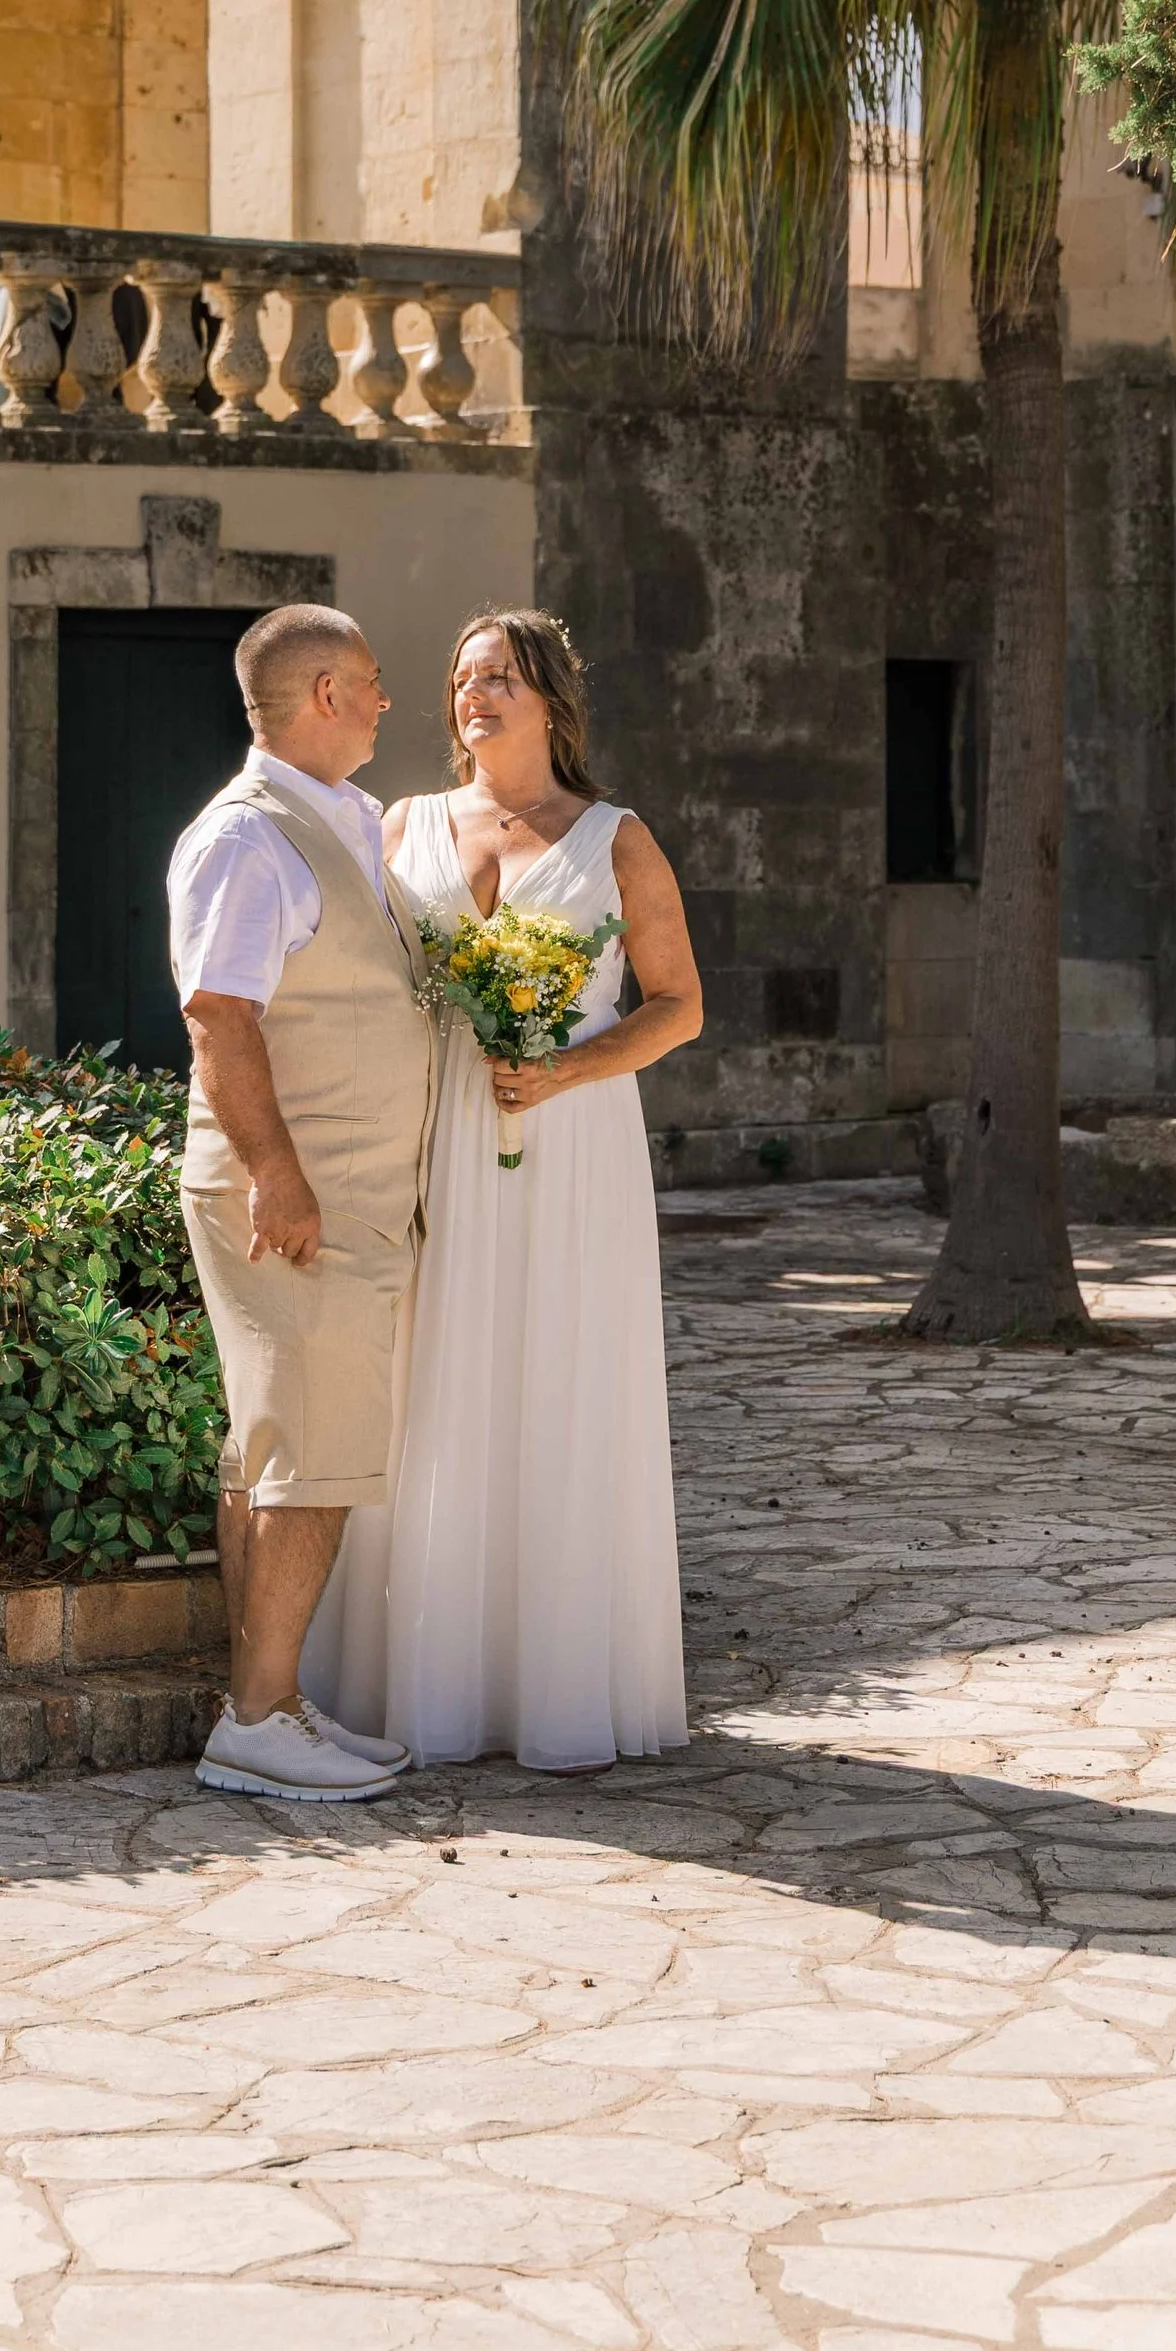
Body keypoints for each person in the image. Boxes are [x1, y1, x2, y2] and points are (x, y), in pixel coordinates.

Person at [305, 608, 700, 1770]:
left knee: (559, 1380)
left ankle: (557, 1690)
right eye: (463, 679)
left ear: (551, 703)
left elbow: (677, 1006)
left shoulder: (616, 839)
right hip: (431, 1134)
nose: (475, 697)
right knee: (433, 1381)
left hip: (569, 1147)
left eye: (502, 680)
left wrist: (564, 1067)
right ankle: (426, 1685)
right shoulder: (401, 826)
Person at [167, 604, 436, 1802]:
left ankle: (266, 1701)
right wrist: (279, 1175)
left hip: (349, 1192)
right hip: (297, 1198)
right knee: (314, 1460)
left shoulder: (350, 823)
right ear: (325, 693)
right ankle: (259, 1721)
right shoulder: (246, 839)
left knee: (271, 1452)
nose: (387, 703)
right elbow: (220, 1015)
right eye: (374, 684)